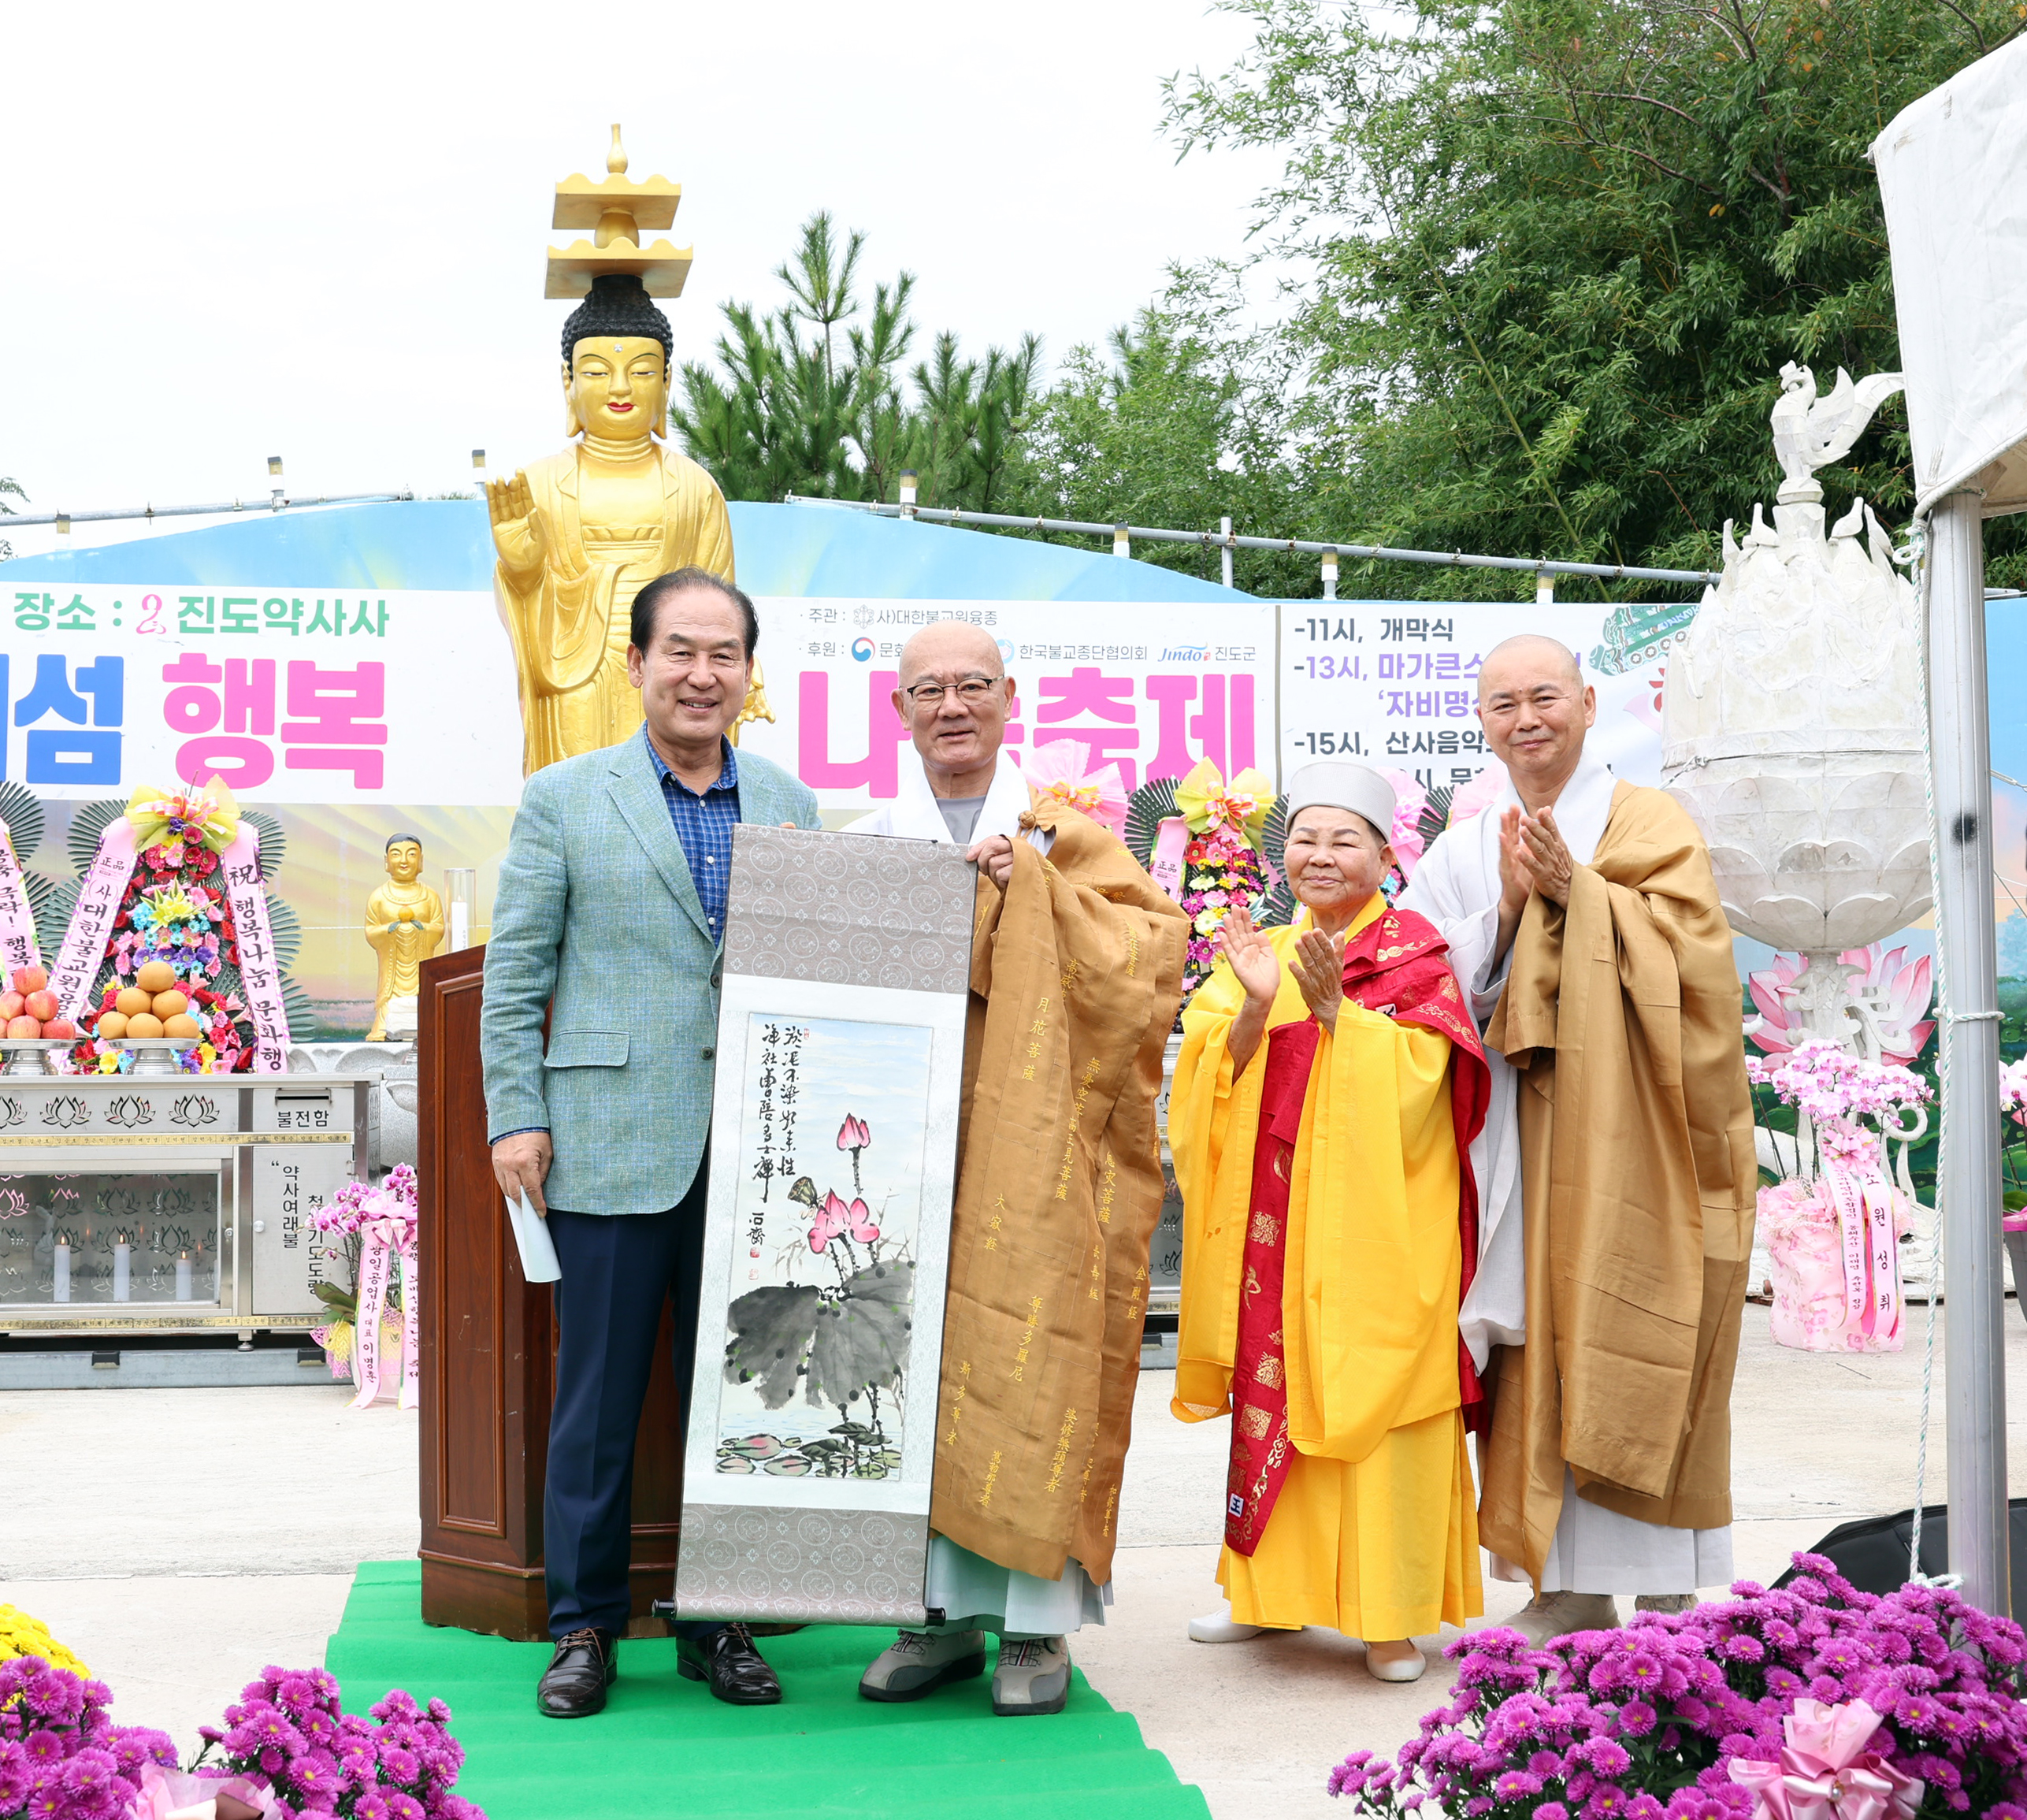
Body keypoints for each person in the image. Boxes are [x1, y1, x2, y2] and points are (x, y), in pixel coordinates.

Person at [482, 566, 821, 1716]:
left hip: (759, 1151)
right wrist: (513, 1113)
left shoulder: (786, 798)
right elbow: (518, 974)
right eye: (679, 650)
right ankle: (582, 1625)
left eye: (723, 653)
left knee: (736, 1399)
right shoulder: (565, 797)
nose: (700, 673)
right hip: (609, 1136)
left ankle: (719, 1620)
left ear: (746, 673)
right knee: (598, 1395)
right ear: (635, 664)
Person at [845, 619, 1188, 1717]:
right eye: (928, 688)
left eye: (973, 685)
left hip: (1037, 1149)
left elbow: (1151, 957)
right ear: (897, 710)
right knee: (906, 1357)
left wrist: (1041, 893)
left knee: (1033, 1354)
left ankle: (1038, 1630)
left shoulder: (1064, 832)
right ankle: (931, 1618)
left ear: (1009, 700)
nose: (951, 704)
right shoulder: (864, 834)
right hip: (898, 1148)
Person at [1401, 635, 1756, 1642]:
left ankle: (1665, 1581)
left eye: (1544, 696)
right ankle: (1562, 1585)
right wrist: (1512, 909)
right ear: (1480, 722)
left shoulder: (1650, 821)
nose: (1526, 718)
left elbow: (1697, 972)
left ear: (1588, 705)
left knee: (1640, 1313)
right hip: (1516, 1135)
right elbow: (1423, 977)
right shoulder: (1463, 845)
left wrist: (1584, 894)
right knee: (1533, 1339)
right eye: (1502, 703)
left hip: (1633, 1131)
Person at [1167, 763, 1491, 1682]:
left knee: (1380, 1411)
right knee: (1276, 1389)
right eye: (1304, 837)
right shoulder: (1263, 948)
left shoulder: (1412, 954)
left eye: (1343, 838)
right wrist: (1262, 1007)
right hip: (1277, 1223)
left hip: (1379, 1231)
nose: (1319, 854)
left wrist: (1338, 1016)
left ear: (1385, 856)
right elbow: (1205, 1081)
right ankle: (1266, 1600)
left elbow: (1429, 1090)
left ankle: (1388, 1619)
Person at [485, 273, 738, 776]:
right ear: (568, 381)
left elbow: (722, 597)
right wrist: (524, 569)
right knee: (578, 789)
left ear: (667, 381)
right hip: (576, 661)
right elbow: (525, 593)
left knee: (671, 780)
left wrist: (744, 673)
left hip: (671, 665)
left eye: (641, 372)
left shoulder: (694, 486)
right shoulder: (539, 483)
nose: (620, 388)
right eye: (598, 372)